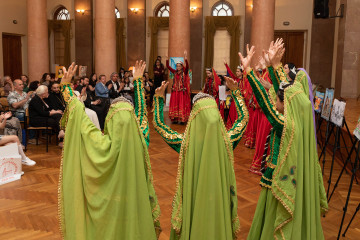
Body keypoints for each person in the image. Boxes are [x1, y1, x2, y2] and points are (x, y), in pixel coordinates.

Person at [58, 61, 161, 240]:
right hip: (132, 205)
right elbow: (143, 115)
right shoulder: (141, 139)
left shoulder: (99, 143)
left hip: (108, 205)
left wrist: (66, 88)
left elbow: (80, 118)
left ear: (109, 120)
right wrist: (138, 82)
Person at [240, 42, 327, 240]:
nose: (275, 101)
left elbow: (264, 101)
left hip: (279, 182)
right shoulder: (299, 121)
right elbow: (284, 90)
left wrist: (249, 72)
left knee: (271, 220)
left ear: (286, 103)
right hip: (296, 181)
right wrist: (275, 66)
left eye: (278, 100)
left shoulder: (285, 125)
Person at [153, 76, 248, 239]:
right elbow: (243, 119)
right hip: (219, 203)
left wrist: (158, 98)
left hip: (194, 203)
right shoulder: (227, 141)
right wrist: (237, 92)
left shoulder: (186, 144)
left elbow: (159, 125)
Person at [166, 51, 191, 123]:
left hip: (181, 92)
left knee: (181, 105)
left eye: (179, 66)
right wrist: (167, 59)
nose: (177, 67)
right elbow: (168, 67)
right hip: (175, 91)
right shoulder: (175, 72)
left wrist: (185, 58)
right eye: (177, 66)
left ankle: (182, 119)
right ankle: (175, 119)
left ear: (182, 66)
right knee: (175, 104)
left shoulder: (184, 73)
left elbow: (187, 67)